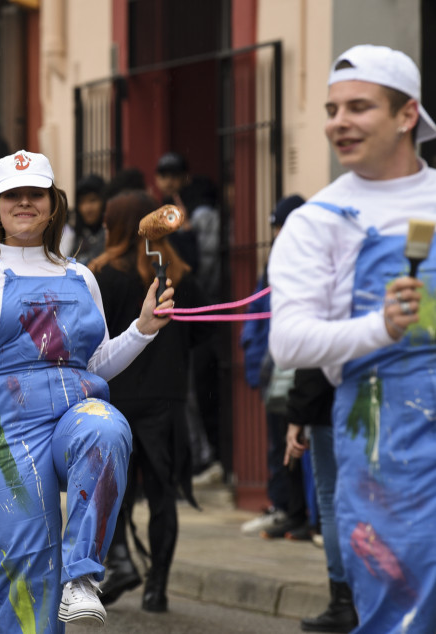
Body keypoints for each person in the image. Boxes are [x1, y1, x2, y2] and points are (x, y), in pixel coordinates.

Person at [0, 150, 174, 631]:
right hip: (3, 433)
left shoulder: (80, 275)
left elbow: (95, 364)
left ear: (53, 204)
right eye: (12, 195)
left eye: (34, 194)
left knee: (108, 427)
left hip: (72, 417)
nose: (24, 202)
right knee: (28, 569)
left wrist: (142, 329)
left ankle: (82, 576)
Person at [269, 44, 436, 633]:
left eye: (359, 107)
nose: (339, 122)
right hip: (384, 438)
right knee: (403, 604)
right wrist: (380, 328)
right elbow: (288, 342)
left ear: (407, 114)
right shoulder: (319, 221)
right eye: (332, 109)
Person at [89, 190, 208, 612]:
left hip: (116, 398)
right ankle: (157, 587)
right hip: (165, 398)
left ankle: (121, 561)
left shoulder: (101, 275)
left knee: (112, 489)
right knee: (162, 495)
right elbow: (202, 335)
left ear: (117, 226)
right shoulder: (179, 275)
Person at [240, 195, 309, 538]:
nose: (278, 233)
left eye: (282, 225)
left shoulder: (306, 261)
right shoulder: (274, 264)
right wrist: (254, 360)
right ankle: (285, 507)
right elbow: (256, 315)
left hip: (296, 366)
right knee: (278, 443)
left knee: (295, 444)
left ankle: (299, 512)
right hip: (273, 369)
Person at [285, 369, 359, 632]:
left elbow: (312, 366)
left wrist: (297, 417)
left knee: (331, 502)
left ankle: (342, 603)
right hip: (376, 409)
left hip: (330, 413)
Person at [59, 173, 106, 264]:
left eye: (93, 200)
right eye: (82, 202)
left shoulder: (110, 235)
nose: (87, 208)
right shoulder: (74, 236)